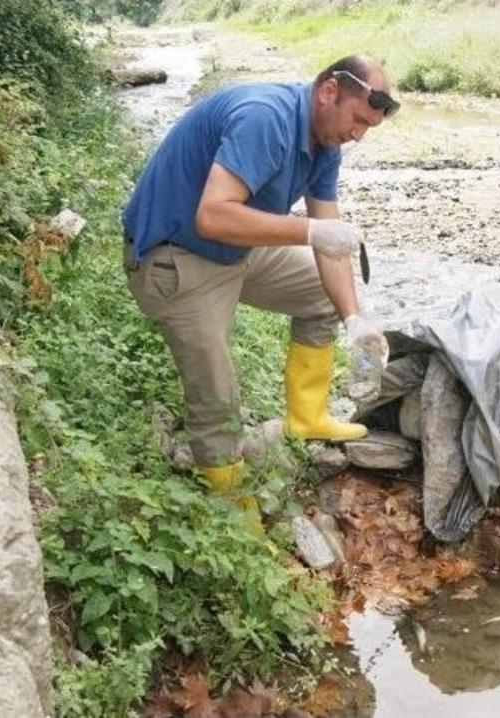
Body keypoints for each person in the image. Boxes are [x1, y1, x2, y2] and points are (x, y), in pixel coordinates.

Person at [122, 55, 398, 514]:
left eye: (368, 127)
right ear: (329, 91)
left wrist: (354, 317)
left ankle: (306, 418)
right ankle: (231, 503)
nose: (358, 134)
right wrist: (308, 231)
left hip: (236, 250)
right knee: (217, 391)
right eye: (357, 120)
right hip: (174, 256)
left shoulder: (326, 142)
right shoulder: (265, 117)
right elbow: (212, 215)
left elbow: (329, 242)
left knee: (324, 294)